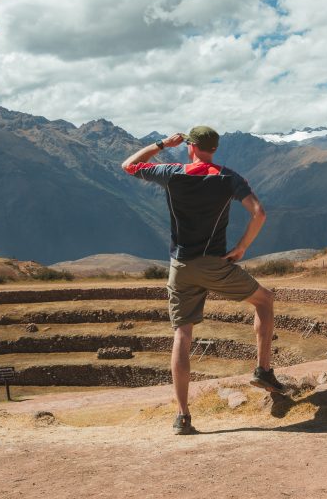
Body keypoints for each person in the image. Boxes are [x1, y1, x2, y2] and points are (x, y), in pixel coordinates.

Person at [121, 126, 285, 435]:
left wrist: (160, 144)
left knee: (183, 334)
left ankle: (183, 415)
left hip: (180, 265)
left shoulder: (171, 172)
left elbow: (128, 165)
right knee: (264, 301)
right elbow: (259, 213)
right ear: (215, 148)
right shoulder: (228, 177)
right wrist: (242, 248)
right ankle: (263, 370)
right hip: (215, 263)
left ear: (190, 147)